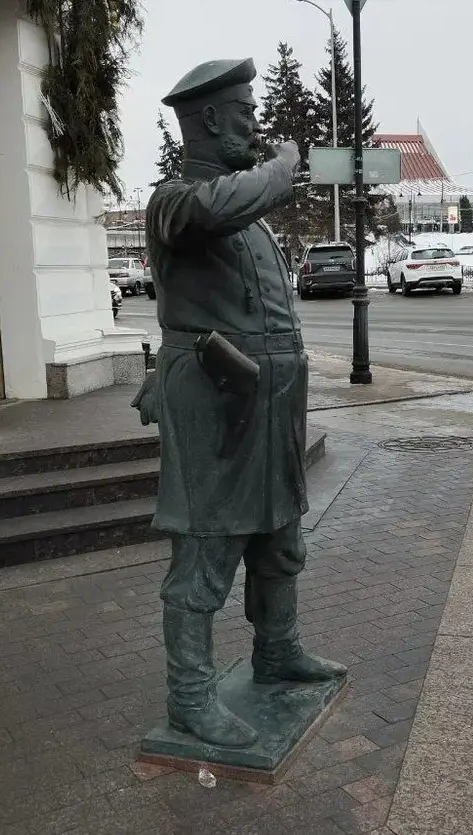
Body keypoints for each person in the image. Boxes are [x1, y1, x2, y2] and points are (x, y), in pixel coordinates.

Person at [136, 57, 346, 749]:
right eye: (245, 112)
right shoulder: (176, 201)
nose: (255, 124)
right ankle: (190, 698)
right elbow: (221, 206)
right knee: (206, 551)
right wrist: (284, 167)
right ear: (209, 120)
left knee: (280, 534)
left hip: (270, 401)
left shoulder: (246, 214)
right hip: (216, 402)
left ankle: (277, 649)